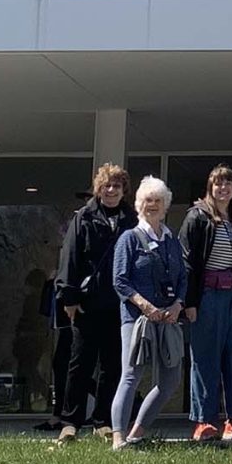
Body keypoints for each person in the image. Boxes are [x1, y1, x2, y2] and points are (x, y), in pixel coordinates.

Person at [108, 177, 188, 447]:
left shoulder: (172, 240)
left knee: (171, 379)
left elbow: (183, 279)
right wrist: (145, 306)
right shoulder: (129, 239)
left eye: (158, 201)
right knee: (131, 375)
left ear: (165, 205)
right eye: (147, 200)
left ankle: (138, 432)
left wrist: (178, 304)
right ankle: (117, 436)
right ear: (139, 205)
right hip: (137, 319)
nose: (152, 205)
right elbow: (120, 280)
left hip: (168, 319)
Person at [55, 166, 130, 441]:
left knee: (113, 366)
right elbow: (70, 257)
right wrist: (69, 297)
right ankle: (70, 422)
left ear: (124, 190)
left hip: (119, 305)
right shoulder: (84, 217)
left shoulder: (131, 219)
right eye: (106, 186)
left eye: (116, 187)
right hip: (87, 303)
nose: (111, 191)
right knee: (79, 363)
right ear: (98, 188)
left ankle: (103, 421)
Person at [180, 165, 232, 443]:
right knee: (205, 357)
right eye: (218, 184)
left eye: (228, 185)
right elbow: (186, 261)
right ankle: (204, 421)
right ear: (210, 187)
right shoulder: (197, 217)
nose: (223, 189)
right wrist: (190, 302)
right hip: (208, 295)